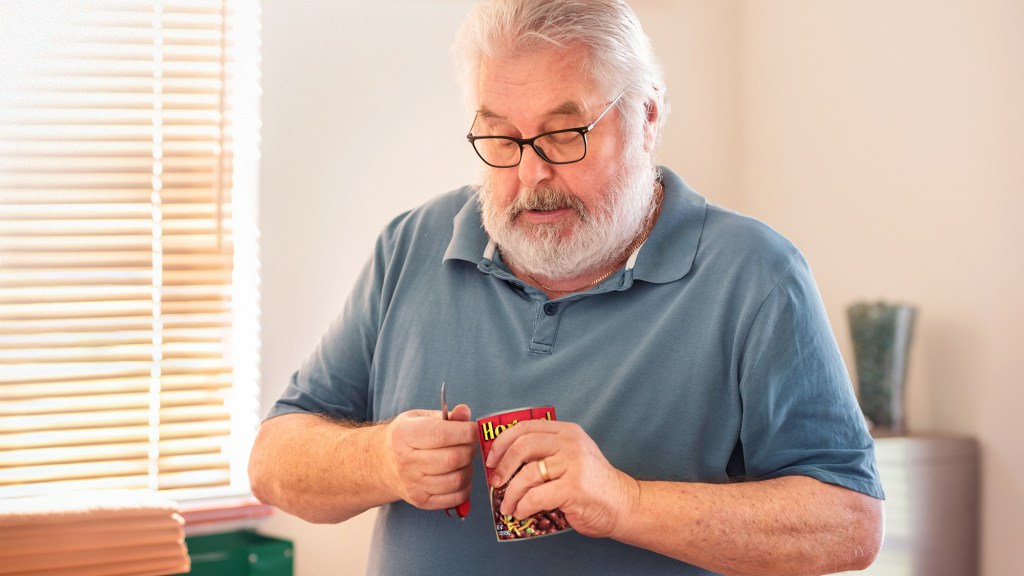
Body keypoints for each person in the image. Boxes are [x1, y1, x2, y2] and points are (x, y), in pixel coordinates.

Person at [248, 1, 885, 574]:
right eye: (500, 136)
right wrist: (381, 461)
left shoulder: (757, 275)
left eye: (563, 134)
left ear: (647, 119)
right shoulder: (411, 244)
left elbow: (849, 526)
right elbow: (274, 462)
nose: (532, 173)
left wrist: (626, 503)